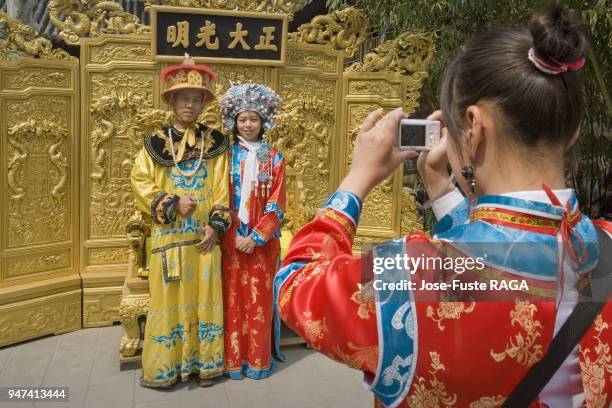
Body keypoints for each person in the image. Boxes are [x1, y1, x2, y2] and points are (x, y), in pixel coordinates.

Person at [274, 5, 611, 407]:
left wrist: (356, 180)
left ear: (474, 125)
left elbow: (295, 285)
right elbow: (499, 259)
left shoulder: (410, 274)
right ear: (572, 133)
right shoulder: (603, 247)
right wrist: (440, 188)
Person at [130, 54, 231, 388]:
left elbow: (222, 189)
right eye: (183, 98)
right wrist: (172, 202)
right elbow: (141, 183)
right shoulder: (154, 144)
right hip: (169, 238)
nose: (190, 105)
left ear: (203, 103)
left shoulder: (215, 144)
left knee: (204, 300)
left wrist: (215, 228)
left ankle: (205, 367)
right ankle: (166, 369)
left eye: (196, 99)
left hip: (203, 239)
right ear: (172, 101)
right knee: (169, 302)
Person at [220, 83, 285, 379]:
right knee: (231, 300)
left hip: (261, 243)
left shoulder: (274, 159)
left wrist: (257, 236)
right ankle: (232, 361)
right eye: (243, 119)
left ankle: (258, 362)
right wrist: (232, 233)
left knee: (258, 300)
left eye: (254, 119)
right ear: (234, 121)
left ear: (264, 122)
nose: (248, 125)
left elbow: (277, 203)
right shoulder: (224, 156)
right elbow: (218, 197)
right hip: (231, 239)